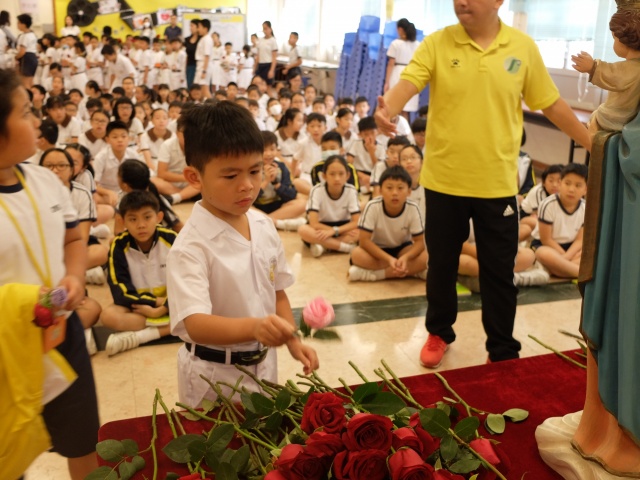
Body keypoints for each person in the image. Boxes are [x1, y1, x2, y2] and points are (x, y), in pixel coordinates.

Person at [375, 0, 591, 366]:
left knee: (499, 271)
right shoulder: (438, 43)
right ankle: (439, 332)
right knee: (442, 266)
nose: (461, 2)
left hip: (497, 185)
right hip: (444, 182)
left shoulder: (522, 48)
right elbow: (407, 84)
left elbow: (551, 104)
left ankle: (502, 349)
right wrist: (387, 110)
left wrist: (591, 143)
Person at [166, 102, 318, 407]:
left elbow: (277, 292)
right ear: (194, 178)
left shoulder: (263, 225)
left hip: (264, 364)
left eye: (254, 171)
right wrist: (255, 327)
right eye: (230, 176)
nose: (247, 186)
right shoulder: (190, 247)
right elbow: (195, 322)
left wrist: (292, 338)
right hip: (213, 375)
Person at [0, 67, 99, 480]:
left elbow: (73, 239)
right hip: (7, 347)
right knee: (10, 448)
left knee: (83, 439)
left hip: (61, 332)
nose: (37, 120)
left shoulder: (44, 180)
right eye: (25, 112)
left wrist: (74, 277)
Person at [101, 190, 177, 355]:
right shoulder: (118, 246)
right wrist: (155, 303)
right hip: (142, 307)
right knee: (109, 316)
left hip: (174, 305)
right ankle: (171, 328)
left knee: (206, 307)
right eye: (133, 219)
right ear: (122, 221)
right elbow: (120, 293)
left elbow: (187, 283)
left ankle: (142, 336)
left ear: (159, 217)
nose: (141, 225)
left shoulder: (173, 240)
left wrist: (164, 308)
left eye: (147, 217)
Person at [39, 148, 108, 286]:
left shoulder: (82, 193)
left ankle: (62, 272)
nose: (55, 170)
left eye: (61, 165)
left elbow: (82, 238)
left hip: (72, 245)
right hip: (44, 247)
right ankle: (79, 272)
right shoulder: (33, 192)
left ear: (71, 170)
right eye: (49, 166)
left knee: (101, 252)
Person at [348, 166, 428, 282]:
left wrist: (405, 258)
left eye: (400, 188)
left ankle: (377, 274)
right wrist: (390, 259)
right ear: (380, 190)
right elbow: (364, 241)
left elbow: (420, 242)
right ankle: (413, 272)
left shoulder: (413, 208)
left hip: (402, 249)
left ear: (409, 192)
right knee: (356, 254)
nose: (394, 193)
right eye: (389, 188)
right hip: (376, 250)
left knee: (428, 255)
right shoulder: (372, 206)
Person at [571, 10, 640, 140]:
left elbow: (613, 74)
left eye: (614, 38)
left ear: (626, 40)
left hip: (618, 118)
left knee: (597, 117)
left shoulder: (632, 68)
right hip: (626, 116)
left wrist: (592, 67)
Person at [532, 163, 588, 279]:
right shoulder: (547, 204)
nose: (571, 189)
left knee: (592, 252)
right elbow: (546, 239)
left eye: (578, 185)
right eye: (567, 183)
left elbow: (579, 240)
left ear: (585, 189)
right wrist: (566, 257)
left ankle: (556, 270)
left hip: (570, 248)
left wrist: (565, 258)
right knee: (543, 254)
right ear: (560, 183)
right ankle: (581, 274)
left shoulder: (586, 208)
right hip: (547, 246)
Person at [298, 155, 360, 258]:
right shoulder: (316, 190)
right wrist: (331, 231)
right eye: (332, 174)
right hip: (321, 227)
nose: (337, 178)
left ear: (348, 175)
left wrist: (334, 231)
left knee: (362, 232)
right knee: (303, 230)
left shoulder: (351, 190)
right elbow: (314, 223)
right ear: (324, 176)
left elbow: (356, 222)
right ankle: (345, 248)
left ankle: (324, 246)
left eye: (341, 174)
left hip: (342, 228)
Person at [254, 131, 307, 230]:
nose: (269, 154)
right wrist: (265, 182)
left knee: (302, 203)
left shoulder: (281, 167)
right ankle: (277, 223)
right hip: (257, 208)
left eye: (272, 149)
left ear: (277, 150)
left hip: (278, 208)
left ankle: (266, 222)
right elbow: (249, 198)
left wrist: (276, 183)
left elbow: (291, 195)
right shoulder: (252, 169)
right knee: (247, 209)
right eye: (264, 150)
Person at [116, 159, 183, 234]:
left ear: (125, 186)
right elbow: (178, 226)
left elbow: (118, 231)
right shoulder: (159, 198)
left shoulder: (123, 203)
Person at [93, 120, 142, 205]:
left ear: (129, 138)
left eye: (123, 136)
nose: (120, 140)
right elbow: (93, 185)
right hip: (106, 192)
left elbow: (139, 179)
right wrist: (108, 192)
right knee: (94, 198)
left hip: (128, 191)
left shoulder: (133, 155)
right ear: (107, 140)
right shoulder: (100, 157)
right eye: (115, 137)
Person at [156, 113, 201, 203]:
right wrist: (186, 177)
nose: (188, 137)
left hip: (191, 183)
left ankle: (175, 198)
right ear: (177, 133)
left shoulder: (199, 146)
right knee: (154, 181)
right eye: (185, 134)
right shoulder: (167, 145)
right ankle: (185, 195)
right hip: (170, 183)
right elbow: (161, 173)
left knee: (203, 181)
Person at [384, 18, 421, 115]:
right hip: (412, 73)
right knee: (406, 109)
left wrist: (387, 82)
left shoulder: (395, 44)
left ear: (400, 29)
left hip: (397, 73)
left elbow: (391, 64)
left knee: (396, 106)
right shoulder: (418, 44)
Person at [519, 164, 563, 241]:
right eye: (551, 181)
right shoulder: (538, 192)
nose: (555, 185)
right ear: (543, 182)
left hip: (545, 216)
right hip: (528, 214)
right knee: (539, 224)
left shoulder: (562, 192)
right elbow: (540, 214)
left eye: (559, 181)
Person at [347, 116, 386, 190]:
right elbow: (349, 164)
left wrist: (371, 152)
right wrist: (361, 175)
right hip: (358, 173)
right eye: (366, 134)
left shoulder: (381, 147)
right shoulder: (356, 144)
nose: (370, 137)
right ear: (360, 135)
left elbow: (379, 168)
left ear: (377, 131)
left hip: (374, 174)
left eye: (372, 133)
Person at [291, 112, 326, 195]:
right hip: (307, 176)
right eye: (312, 126)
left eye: (319, 126)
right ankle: (318, 195)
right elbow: (295, 159)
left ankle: (317, 195)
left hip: (324, 176)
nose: (315, 129)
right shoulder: (303, 143)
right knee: (297, 183)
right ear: (307, 129)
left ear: (325, 128)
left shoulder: (329, 143)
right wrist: (292, 176)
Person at [398, 144, 426, 220]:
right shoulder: (397, 188)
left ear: (422, 162)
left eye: (413, 157)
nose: (409, 161)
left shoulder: (429, 186)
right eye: (404, 159)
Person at [15, 14, 39, 88]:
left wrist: (15, 57)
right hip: (33, 57)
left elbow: (22, 51)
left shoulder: (25, 36)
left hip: (27, 58)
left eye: (18, 23)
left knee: (25, 83)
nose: (17, 25)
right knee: (30, 81)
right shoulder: (32, 35)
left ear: (24, 24)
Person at [184, 19, 199, 88]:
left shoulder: (201, 39)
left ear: (198, 27)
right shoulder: (187, 39)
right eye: (190, 26)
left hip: (199, 65)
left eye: (192, 26)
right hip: (189, 65)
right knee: (189, 85)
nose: (190, 28)